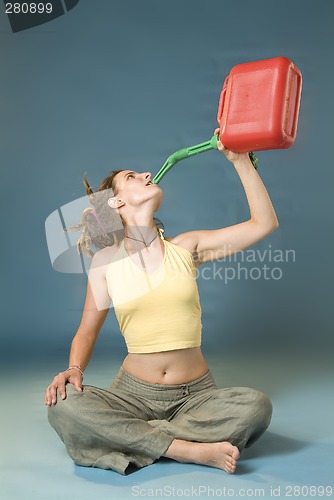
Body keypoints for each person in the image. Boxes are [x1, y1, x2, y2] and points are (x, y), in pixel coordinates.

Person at [45, 132, 278, 475]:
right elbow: (87, 331)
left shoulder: (187, 247)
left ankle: (135, 440)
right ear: (115, 202)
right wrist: (74, 369)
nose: (146, 175)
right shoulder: (105, 263)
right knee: (63, 407)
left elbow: (264, 223)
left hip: (196, 396)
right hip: (132, 396)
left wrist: (240, 161)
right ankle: (188, 449)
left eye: (143, 173)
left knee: (256, 407)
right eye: (132, 177)